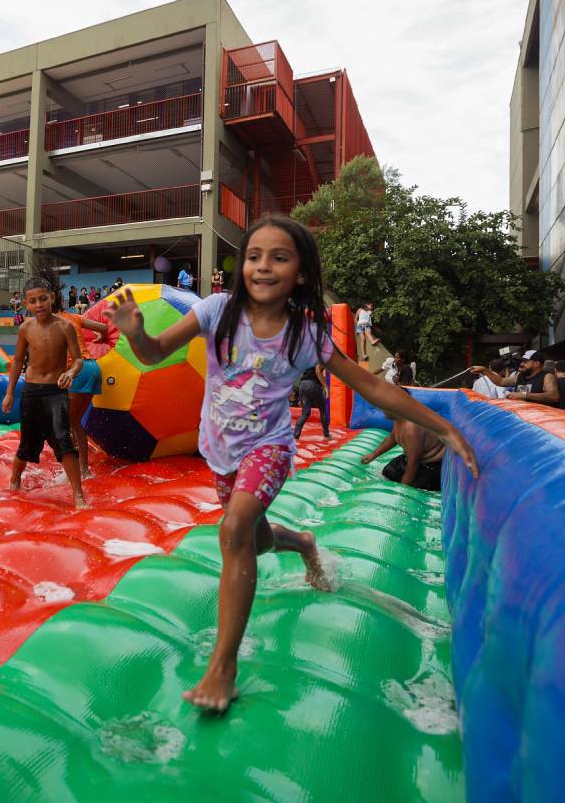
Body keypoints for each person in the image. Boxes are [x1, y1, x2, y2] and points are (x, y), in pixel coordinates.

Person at [107, 212, 479, 714]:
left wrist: (444, 425)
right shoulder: (215, 310)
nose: (263, 267)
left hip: (270, 448)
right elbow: (152, 355)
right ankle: (302, 543)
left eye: (278, 257)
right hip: (221, 451)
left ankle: (223, 666)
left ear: (300, 273)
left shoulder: (305, 334)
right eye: (254, 256)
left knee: (234, 530)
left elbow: (370, 385)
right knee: (255, 540)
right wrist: (134, 333)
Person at [3, 276, 86, 505]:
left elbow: (78, 360)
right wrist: (10, 392)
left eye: (43, 299)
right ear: (26, 304)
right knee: (27, 443)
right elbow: (18, 361)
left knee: (63, 439)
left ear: (52, 298)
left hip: (56, 392)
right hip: (31, 391)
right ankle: (14, 480)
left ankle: (78, 494)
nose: (38, 304)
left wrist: (70, 372)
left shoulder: (65, 326)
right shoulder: (25, 328)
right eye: (33, 301)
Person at [57, 298, 112, 477]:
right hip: (93, 369)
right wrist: (101, 337)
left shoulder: (50, 323)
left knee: (67, 425)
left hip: (77, 370)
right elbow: (104, 328)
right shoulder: (75, 317)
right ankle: (84, 469)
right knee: (75, 423)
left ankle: (74, 471)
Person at [360, 400, 446, 492]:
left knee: (414, 487)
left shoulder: (412, 427)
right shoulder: (400, 418)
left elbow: (414, 461)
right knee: (388, 472)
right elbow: (392, 438)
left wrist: (403, 489)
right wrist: (373, 455)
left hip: (431, 466)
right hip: (411, 459)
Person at [470, 350, 559, 406]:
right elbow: (501, 381)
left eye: (525, 362)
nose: (521, 364)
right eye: (521, 361)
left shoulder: (547, 377)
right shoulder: (521, 376)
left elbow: (553, 396)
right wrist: (484, 370)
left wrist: (524, 395)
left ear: (536, 363)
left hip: (540, 422)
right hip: (523, 419)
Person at [293, 364, 329, 439]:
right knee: (322, 410)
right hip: (313, 384)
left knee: (305, 413)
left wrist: (300, 397)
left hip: (303, 384)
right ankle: (326, 435)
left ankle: (295, 435)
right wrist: (325, 386)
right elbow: (318, 371)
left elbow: (302, 374)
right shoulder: (320, 357)